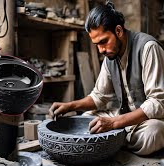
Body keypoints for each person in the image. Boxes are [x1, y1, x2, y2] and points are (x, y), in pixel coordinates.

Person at [49, 1, 164, 156]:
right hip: (124, 117)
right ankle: (115, 140)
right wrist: (69, 106)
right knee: (86, 120)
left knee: (153, 133)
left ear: (118, 31)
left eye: (103, 41)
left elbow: (157, 103)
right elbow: (99, 97)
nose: (101, 50)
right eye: (96, 44)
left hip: (147, 120)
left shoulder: (148, 48)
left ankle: (113, 140)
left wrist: (114, 123)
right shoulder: (110, 56)